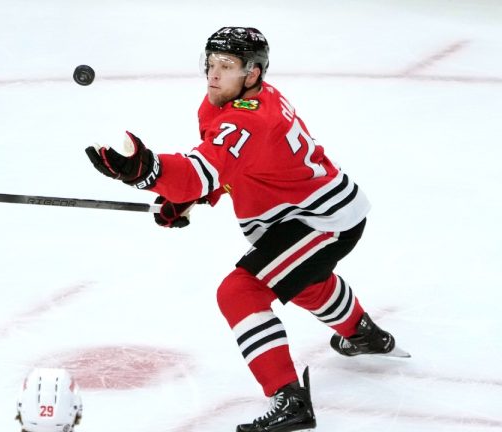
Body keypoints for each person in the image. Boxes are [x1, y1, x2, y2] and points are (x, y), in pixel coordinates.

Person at [85, 26, 404, 432]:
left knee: (240, 291)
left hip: (321, 222)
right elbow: (227, 169)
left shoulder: (248, 120)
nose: (214, 75)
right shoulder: (232, 105)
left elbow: (203, 170)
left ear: (252, 74)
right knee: (301, 281)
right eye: (211, 64)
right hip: (311, 216)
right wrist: (187, 197)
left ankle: (289, 400)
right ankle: (362, 333)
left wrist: (145, 172)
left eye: (228, 66)